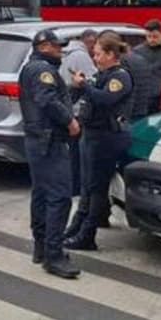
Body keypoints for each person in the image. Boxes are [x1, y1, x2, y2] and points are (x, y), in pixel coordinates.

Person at [18, 29, 82, 279]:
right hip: (49, 140)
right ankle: (54, 255)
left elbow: (54, 95)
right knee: (59, 197)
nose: (61, 51)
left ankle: (42, 247)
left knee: (42, 194)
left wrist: (73, 89)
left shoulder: (34, 68)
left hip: (38, 140)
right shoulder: (42, 69)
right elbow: (47, 100)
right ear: (44, 46)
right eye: (57, 47)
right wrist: (70, 121)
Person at [65, 33, 134, 251]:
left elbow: (105, 100)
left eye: (97, 54)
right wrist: (78, 86)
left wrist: (85, 85)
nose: (94, 58)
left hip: (107, 137)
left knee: (96, 188)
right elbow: (84, 98)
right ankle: (77, 226)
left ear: (111, 54)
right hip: (91, 134)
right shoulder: (100, 74)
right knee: (86, 186)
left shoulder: (120, 77)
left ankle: (87, 235)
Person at [59, 29, 97, 234]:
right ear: (90, 43)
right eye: (96, 50)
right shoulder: (82, 57)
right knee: (79, 155)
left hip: (66, 110)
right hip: (76, 112)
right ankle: (77, 187)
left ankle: (73, 185)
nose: (96, 55)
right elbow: (93, 82)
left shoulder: (67, 54)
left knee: (72, 152)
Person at [132, 20, 161, 116]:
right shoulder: (137, 51)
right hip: (143, 97)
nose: (151, 40)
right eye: (149, 36)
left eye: (155, 36)